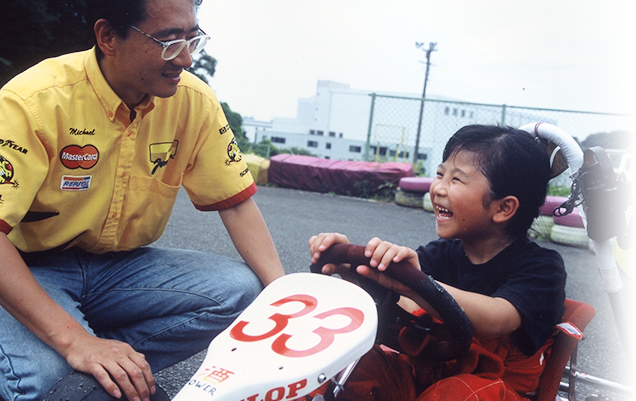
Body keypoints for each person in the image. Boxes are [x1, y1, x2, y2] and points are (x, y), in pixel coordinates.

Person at [0, 0, 285, 400]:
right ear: (107, 37)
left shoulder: (194, 101)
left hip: (117, 272)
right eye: (168, 41)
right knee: (49, 381)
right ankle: (68, 350)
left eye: (192, 39)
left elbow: (235, 204)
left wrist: (287, 302)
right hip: (28, 269)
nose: (186, 59)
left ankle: (101, 358)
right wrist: (73, 342)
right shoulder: (32, 101)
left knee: (242, 289)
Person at [309, 125, 567, 400]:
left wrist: (417, 285)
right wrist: (354, 272)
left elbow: (497, 319)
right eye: (440, 174)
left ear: (503, 208)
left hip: (491, 389)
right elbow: (403, 307)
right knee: (351, 361)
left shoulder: (542, 267)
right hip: (427, 375)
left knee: (459, 393)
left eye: (456, 180)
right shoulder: (439, 253)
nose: (438, 189)